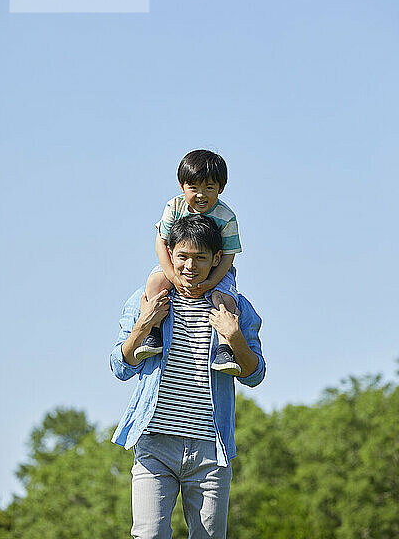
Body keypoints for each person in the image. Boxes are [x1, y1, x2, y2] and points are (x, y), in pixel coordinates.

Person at [110, 215, 267, 539]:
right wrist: (144, 325)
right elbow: (120, 366)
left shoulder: (234, 307)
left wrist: (234, 337)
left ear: (216, 260)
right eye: (182, 256)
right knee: (149, 535)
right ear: (169, 253)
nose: (190, 266)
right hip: (155, 444)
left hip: (211, 448)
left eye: (200, 258)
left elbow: (255, 375)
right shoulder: (149, 298)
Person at [136, 149, 243, 375]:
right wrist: (173, 277)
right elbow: (161, 242)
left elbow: (228, 255)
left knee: (226, 300)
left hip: (217, 269)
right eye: (194, 188)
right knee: (155, 284)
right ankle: (153, 334)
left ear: (221, 188)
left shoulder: (227, 217)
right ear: (182, 186)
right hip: (174, 264)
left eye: (209, 188)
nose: (201, 195)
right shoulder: (174, 207)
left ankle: (224, 348)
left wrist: (211, 282)